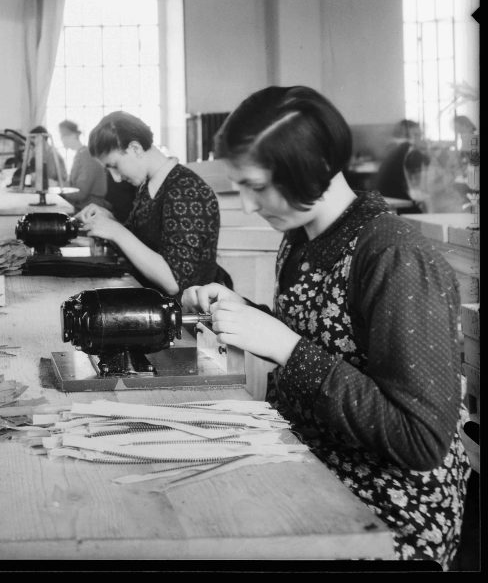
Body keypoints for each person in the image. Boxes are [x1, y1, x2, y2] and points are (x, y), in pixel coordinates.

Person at [181, 86, 469, 569]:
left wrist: (285, 347)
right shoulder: (300, 237)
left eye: (256, 186)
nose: (248, 206)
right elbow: (326, 342)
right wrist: (243, 311)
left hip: (388, 509)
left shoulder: (394, 256)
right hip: (312, 464)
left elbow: (421, 440)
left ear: (309, 166)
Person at [74, 111, 230, 295]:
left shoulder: (187, 190)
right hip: (153, 302)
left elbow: (175, 282)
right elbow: (142, 248)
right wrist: (109, 221)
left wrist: (116, 231)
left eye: (115, 166)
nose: (116, 178)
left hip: (187, 315)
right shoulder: (149, 185)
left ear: (135, 149)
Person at [372, 119, 428, 214]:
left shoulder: (395, 148)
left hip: (383, 198)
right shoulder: (412, 152)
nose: (420, 138)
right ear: (407, 136)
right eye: (417, 135)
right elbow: (417, 187)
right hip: (397, 200)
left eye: (420, 135)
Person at [57, 119, 108, 212]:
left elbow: (81, 193)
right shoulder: (80, 154)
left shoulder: (87, 156)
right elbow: (73, 185)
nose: (61, 140)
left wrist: (58, 188)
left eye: (63, 136)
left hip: (91, 209)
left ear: (73, 135)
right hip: (83, 206)